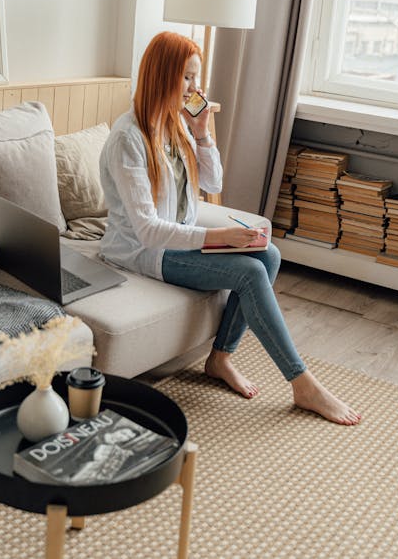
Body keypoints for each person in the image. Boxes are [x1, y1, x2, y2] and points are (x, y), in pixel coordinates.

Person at [99, 32, 361, 426]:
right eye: (186, 78)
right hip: (143, 252)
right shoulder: (127, 138)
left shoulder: (175, 125)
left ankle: (220, 358)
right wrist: (218, 238)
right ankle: (302, 382)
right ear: (162, 75)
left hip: (175, 242)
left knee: (268, 254)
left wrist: (202, 133)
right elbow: (149, 232)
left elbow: (214, 183)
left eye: (196, 78)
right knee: (251, 271)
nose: (195, 88)